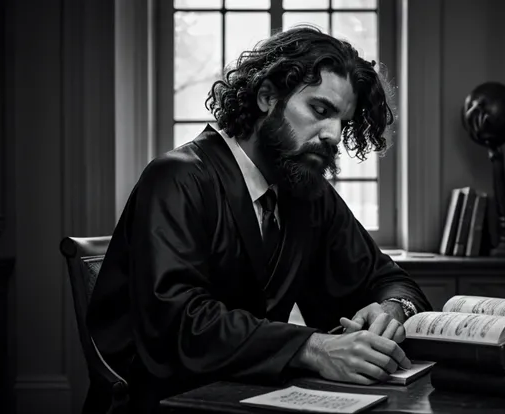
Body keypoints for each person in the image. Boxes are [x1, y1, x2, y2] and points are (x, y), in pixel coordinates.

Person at [86, 26, 431, 412]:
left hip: (251, 396)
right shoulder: (178, 178)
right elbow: (179, 322)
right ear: (267, 96)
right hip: (165, 403)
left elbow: (389, 280)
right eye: (320, 110)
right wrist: (312, 348)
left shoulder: (306, 192)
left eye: (343, 123)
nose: (333, 134)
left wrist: (392, 311)